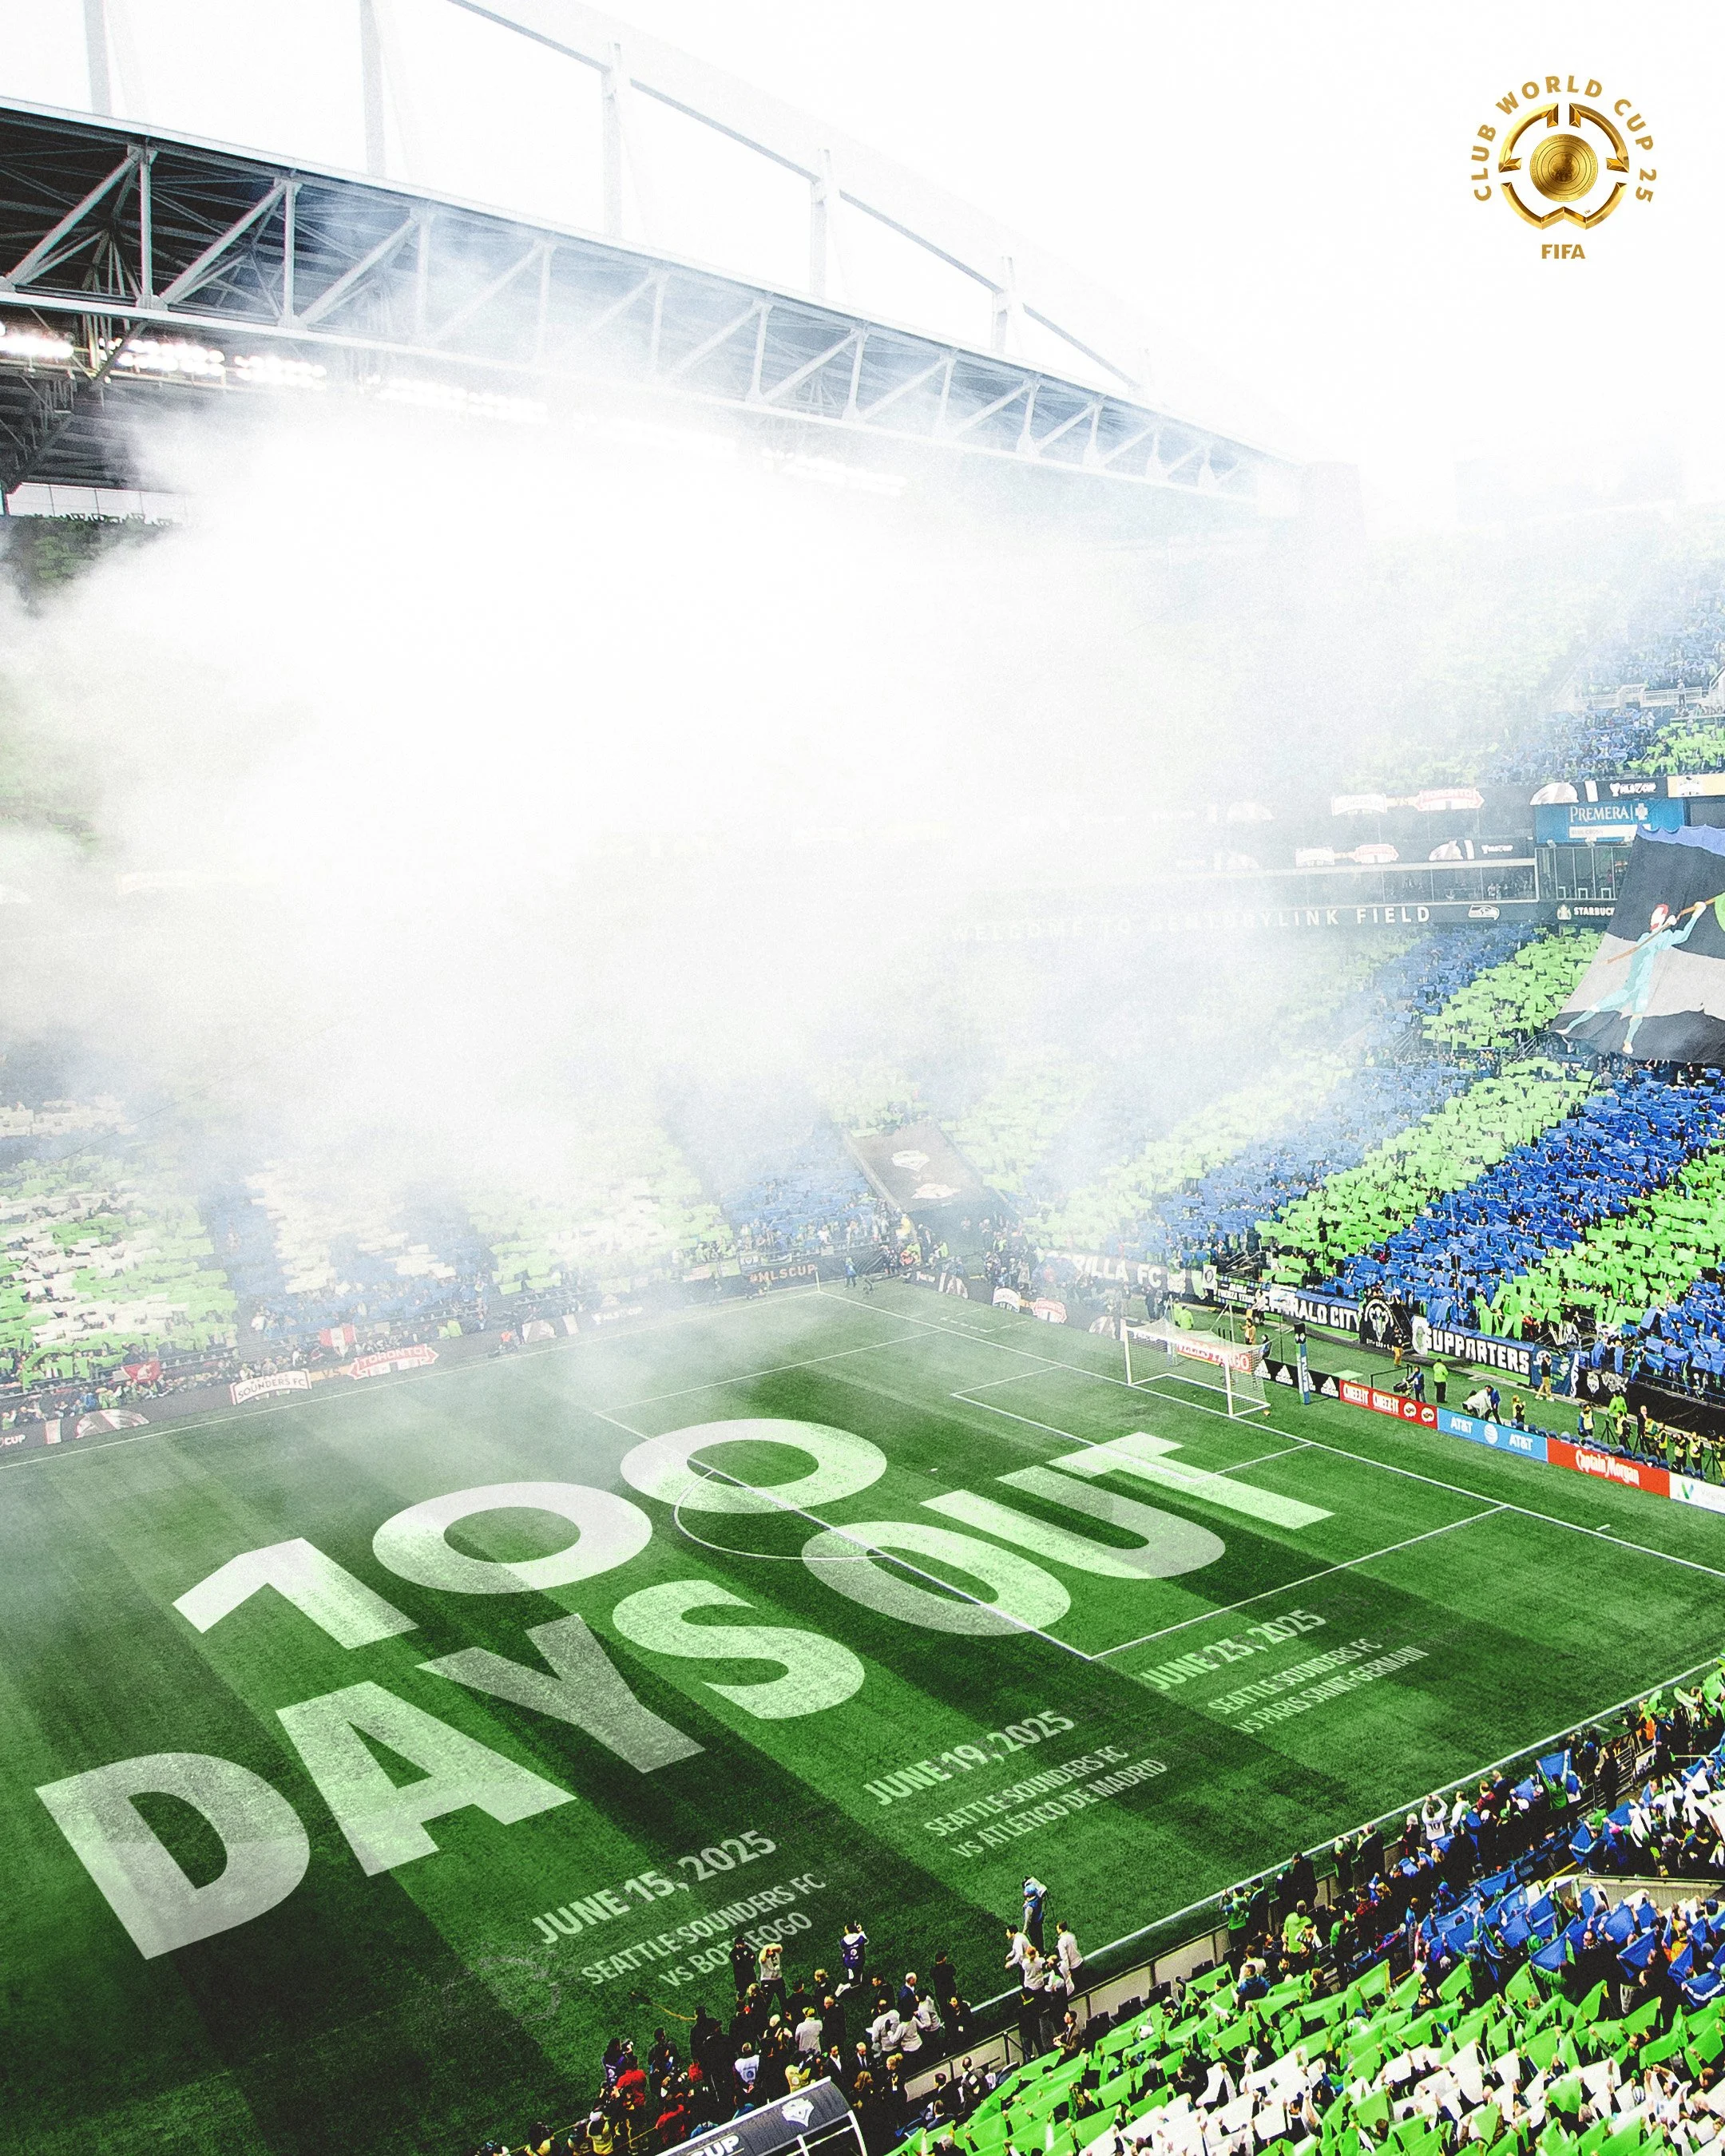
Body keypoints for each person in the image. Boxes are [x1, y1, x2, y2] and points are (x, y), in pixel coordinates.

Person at [1022, 1876, 1049, 1951]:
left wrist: (1024, 1931)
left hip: (1033, 1925)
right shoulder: (1038, 1898)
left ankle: (1038, 1953)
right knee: (1040, 1937)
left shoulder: (1029, 1907)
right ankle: (1042, 1951)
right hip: (1039, 1920)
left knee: (1035, 1939)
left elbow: (1028, 1920)